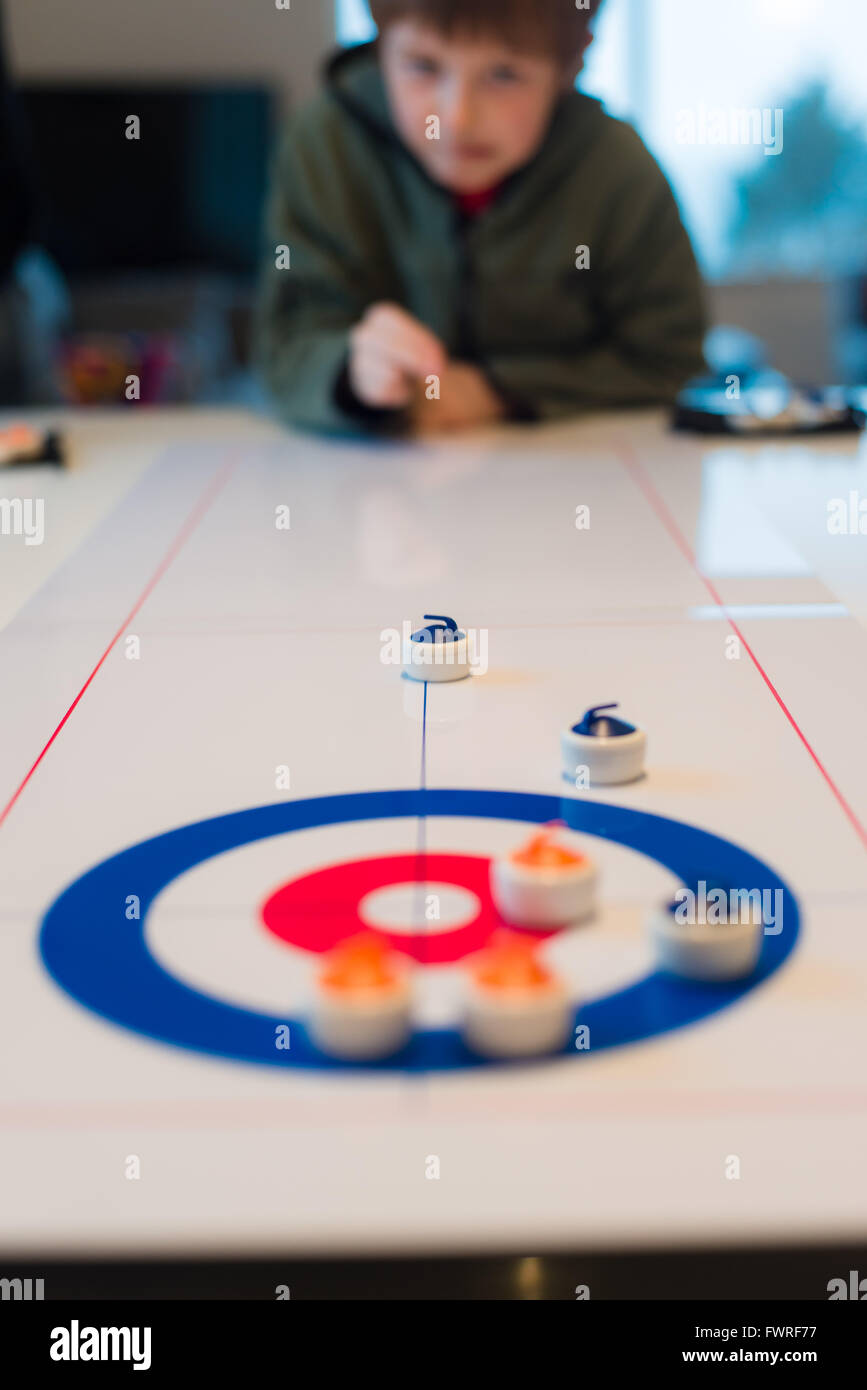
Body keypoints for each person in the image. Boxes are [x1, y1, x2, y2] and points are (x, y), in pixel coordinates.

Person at [257, 0, 706, 437]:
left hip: (564, 481)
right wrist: (350, 374)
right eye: (424, 67)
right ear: (380, 51)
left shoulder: (618, 170)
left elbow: (669, 361)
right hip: (370, 488)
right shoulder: (325, 147)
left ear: (570, 66)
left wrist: (494, 390)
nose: (456, 118)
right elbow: (287, 346)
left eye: (504, 75)